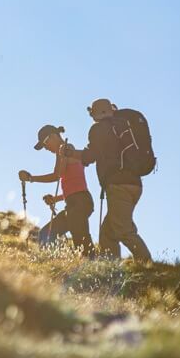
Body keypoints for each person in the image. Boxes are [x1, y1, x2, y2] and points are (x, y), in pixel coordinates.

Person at [63, 98, 152, 263]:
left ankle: (147, 265)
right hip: (134, 184)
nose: (92, 118)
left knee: (124, 230)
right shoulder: (122, 125)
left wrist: (70, 153)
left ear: (97, 114)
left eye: (92, 114)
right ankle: (109, 267)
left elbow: (91, 155)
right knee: (108, 232)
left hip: (118, 185)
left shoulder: (99, 129)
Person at [19, 125, 94, 257]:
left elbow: (57, 175)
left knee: (79, 238)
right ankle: (59, 263)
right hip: (78, 201)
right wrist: (56, 199)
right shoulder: (67, 150)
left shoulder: (65, 148)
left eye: (45, 143)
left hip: (78, 202)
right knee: (47, 234)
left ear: (53, 136)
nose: (46, 148)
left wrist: (31, 178)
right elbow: (75, 186)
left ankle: (94, 268)